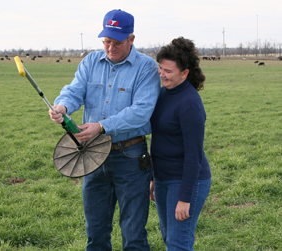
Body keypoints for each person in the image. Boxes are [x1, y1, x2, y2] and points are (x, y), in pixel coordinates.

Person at [49, 9, 160, 251]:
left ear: (131, 39)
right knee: (96, 234)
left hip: (130, 157)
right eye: (106, 41)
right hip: (92, 155)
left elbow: (141, 110)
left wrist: (101, 127)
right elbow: (74, 90)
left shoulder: (147, 68)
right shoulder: (90, 61)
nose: (110, 48)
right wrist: (62, 105)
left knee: (134, 235)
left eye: (117, 42)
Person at [149, 37, 211, 251]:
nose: (161, 74)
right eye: (160, 68)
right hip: (163, 178)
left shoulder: (190, 104)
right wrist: (153, 178)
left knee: (178, 244)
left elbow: (194, 156)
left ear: (184, 73)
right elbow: (159, 140)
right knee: (169, 238)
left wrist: (185, 198)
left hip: (185, 181)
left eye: (168, 71)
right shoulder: (164, 93)